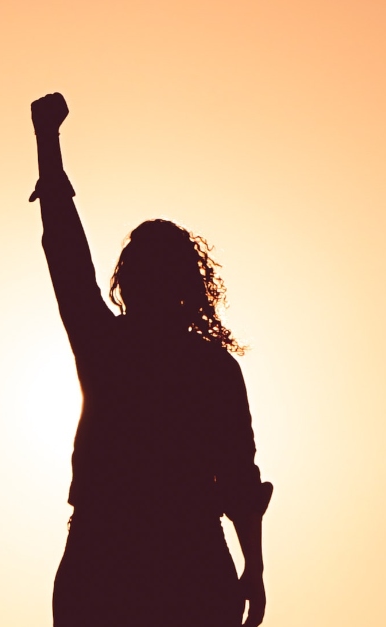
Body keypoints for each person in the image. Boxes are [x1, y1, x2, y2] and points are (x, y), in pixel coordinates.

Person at [28, 92, 272, 627]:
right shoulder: (204, 367)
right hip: (157, 559)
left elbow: (238, 479)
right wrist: (253, 567)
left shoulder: (113, 348)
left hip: (134, 560)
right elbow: (239, 482)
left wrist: (48, 142)